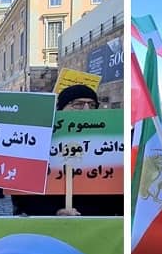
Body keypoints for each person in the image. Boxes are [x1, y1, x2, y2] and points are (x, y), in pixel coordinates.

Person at [12, 84, 121, 217]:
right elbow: (23, 194)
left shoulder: (110, 143)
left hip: (99, 224)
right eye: (78, 104)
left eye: (92, 105)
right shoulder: (39, 142)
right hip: (50, 224)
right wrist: (55, 212)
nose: (86, 110)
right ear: (61, 109)